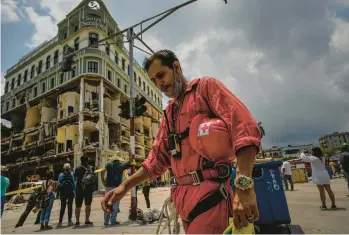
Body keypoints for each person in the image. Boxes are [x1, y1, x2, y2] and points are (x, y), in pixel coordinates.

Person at [101, 49, 261, 233]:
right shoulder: (169, 114)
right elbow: (155, 161)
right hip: (183, 204)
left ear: (176, 67)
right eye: (153, 80)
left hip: (211, 198)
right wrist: (123, 187)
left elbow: (245, 129)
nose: (159, 84)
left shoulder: (205, 88)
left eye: (161, 75)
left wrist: (244, 187)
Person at [101, 152, 130, 226]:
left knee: (107, 203)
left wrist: (103, 181)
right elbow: (130, 162)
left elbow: (102, 171)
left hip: (108, 187)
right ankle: (113, 221)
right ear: (119, 160)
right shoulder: (121, 165)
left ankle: (106, 221)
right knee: (115, 205)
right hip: (116, 188)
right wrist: (130, 153)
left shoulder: (108, 164)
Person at [74, 156, 95, 227]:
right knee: (88, 204)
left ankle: (77, 221)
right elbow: (93, 178)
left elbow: (75, 178)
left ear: (81, 160)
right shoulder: (91, 168)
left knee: (78, 205)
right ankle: (87, 220)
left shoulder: (77, 168)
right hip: (88, 188)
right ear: (87, 160)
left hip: (79, 188)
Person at [57, 163, 75, 227]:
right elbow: (73, 183)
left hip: (63, 193)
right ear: (69, 168)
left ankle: (60, 222)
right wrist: (74, 191)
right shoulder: (72, 174)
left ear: (63, 168)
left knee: (62, 207)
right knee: (70, 207)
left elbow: (58, 183)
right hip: (70, 192)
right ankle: (69, 221)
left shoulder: (61, 175)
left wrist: (58, 192)